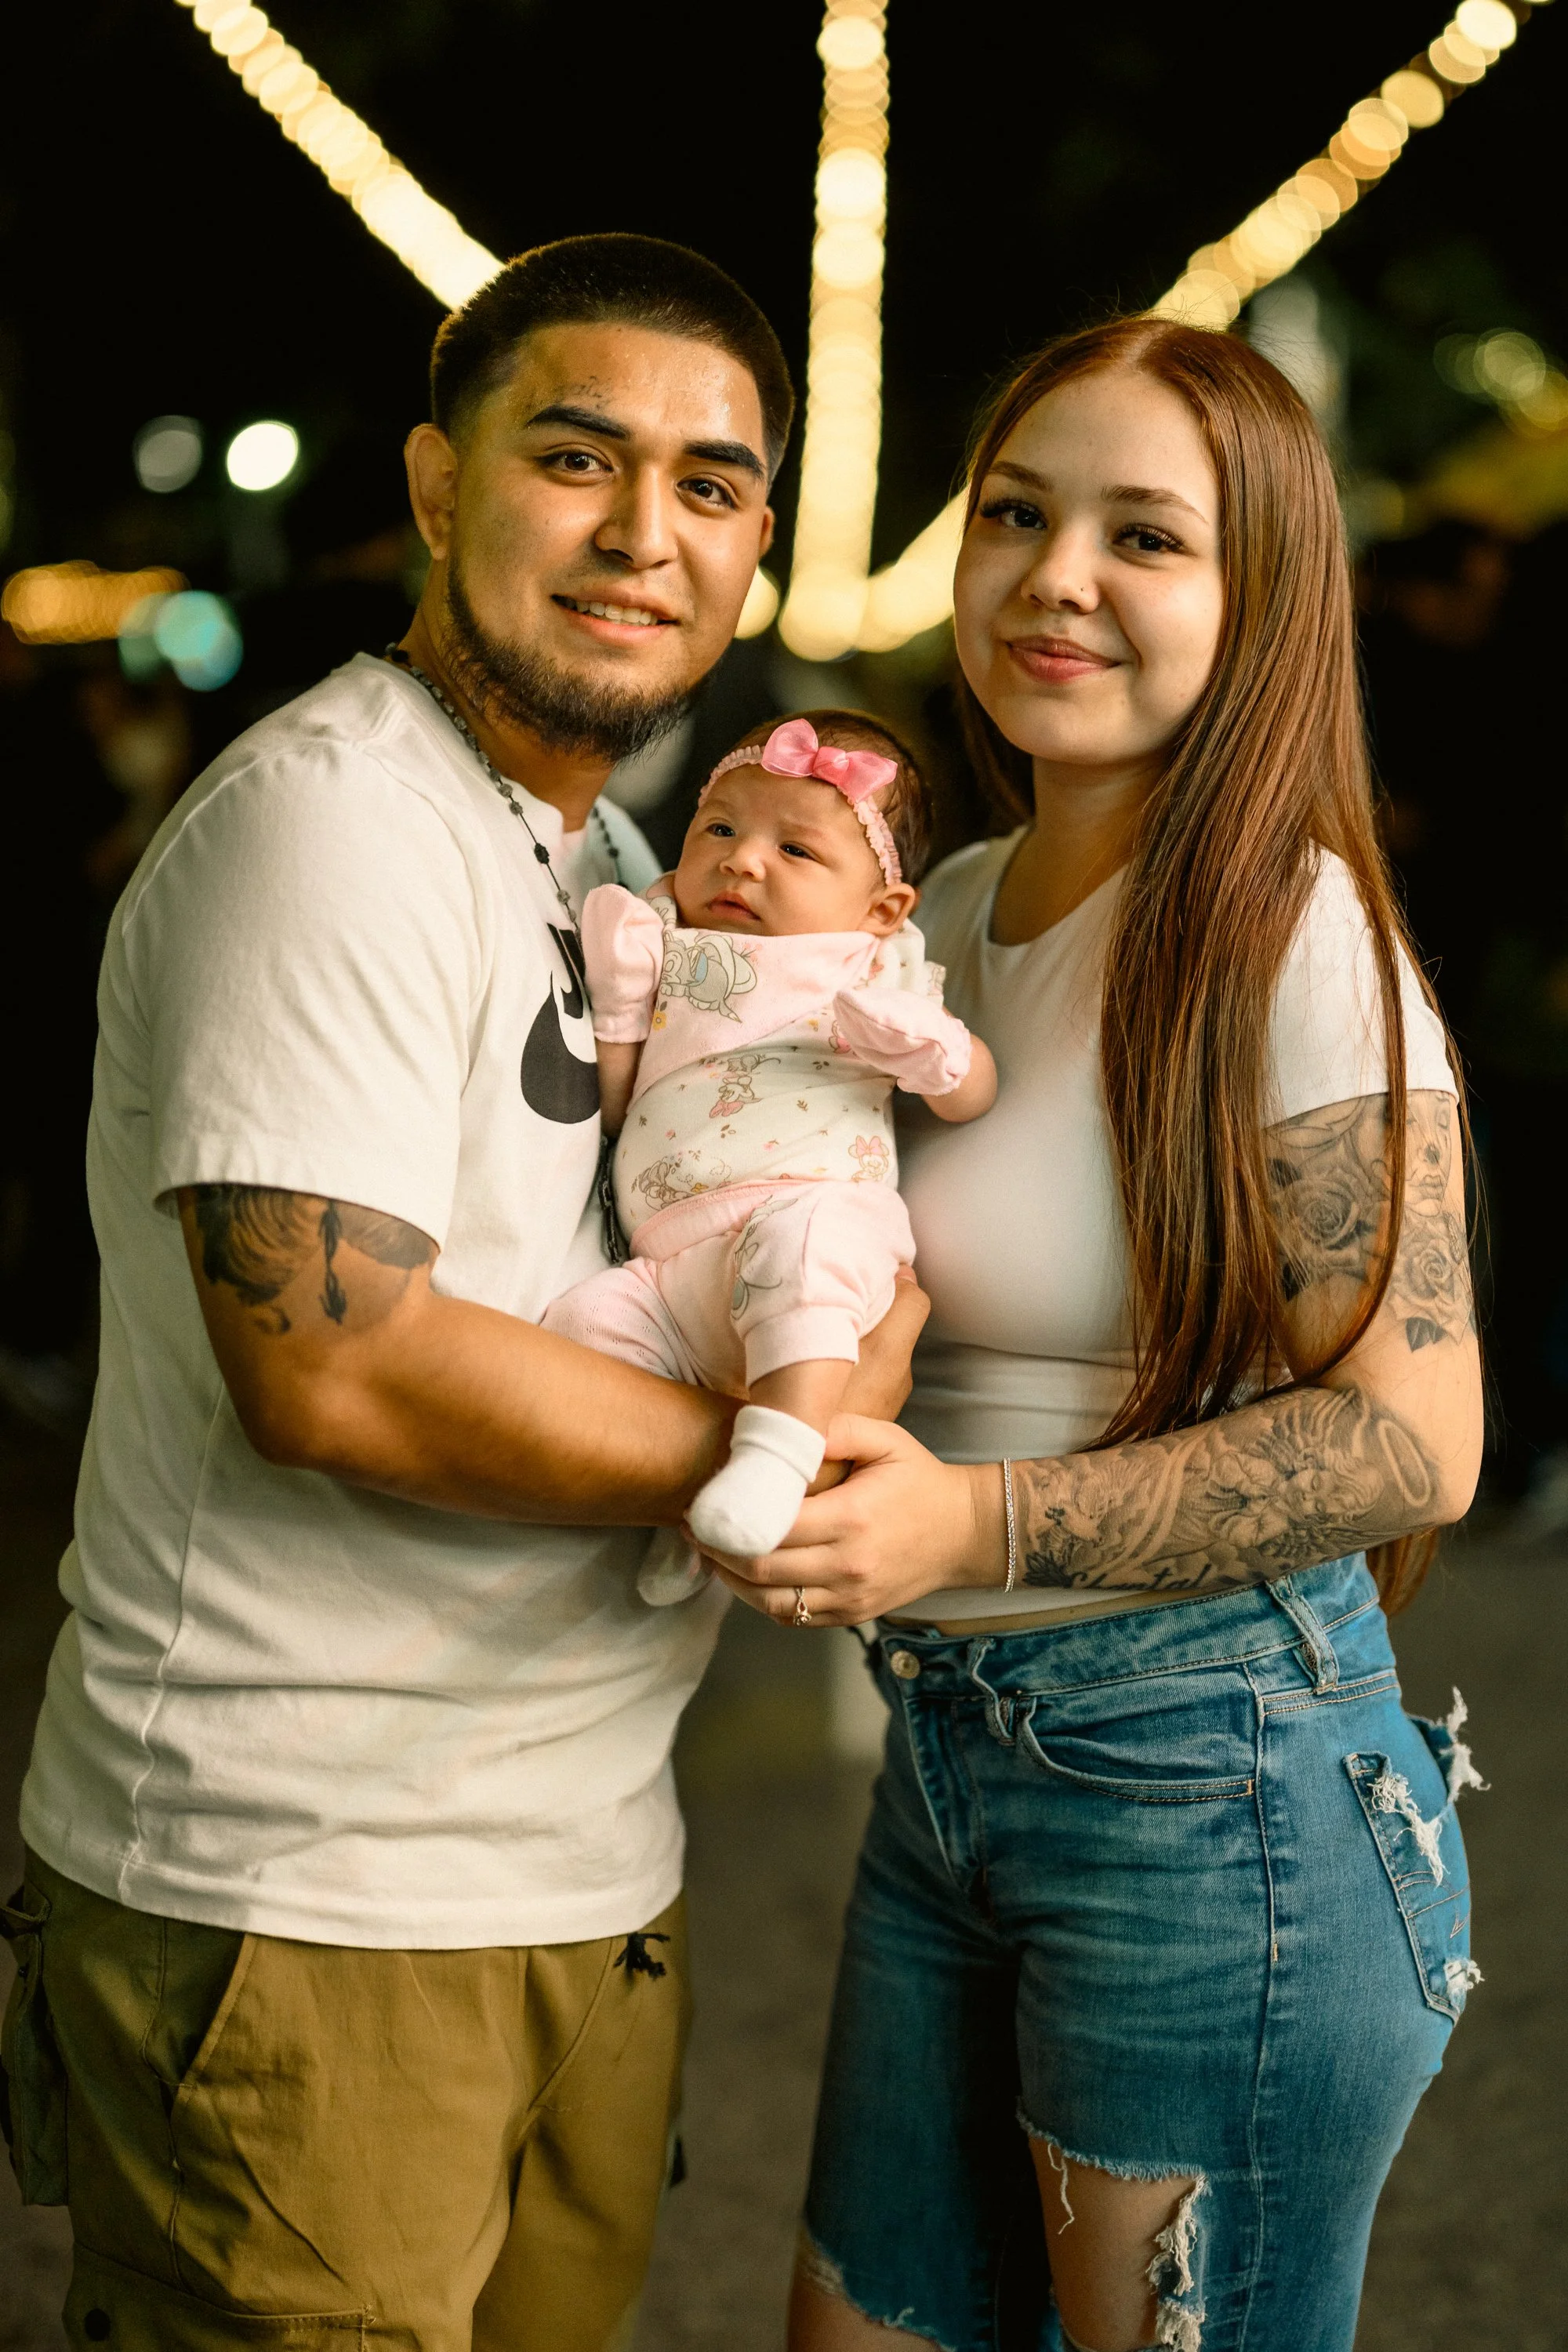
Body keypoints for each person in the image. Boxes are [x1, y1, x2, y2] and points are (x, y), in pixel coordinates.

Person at [0, 233, 921, 2352]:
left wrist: (833, 1363)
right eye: (576, 457)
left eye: (709, 485)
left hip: (574, 1864)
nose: (645, 532)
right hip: (305, 1887)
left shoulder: (622, 864)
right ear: (437, 486)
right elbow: (335, 1368)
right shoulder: (330, 827)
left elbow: (779, 1193)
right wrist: (774, 1461)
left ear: (754, 545)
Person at [711, 320, 1486, 2352]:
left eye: (1144, 536)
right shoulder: (940, 909)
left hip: (1215, 1785)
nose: (1056, 579)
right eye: (1016, 517)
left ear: (1261, 598)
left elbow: (1415, 1439)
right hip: (949, 1756)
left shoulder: (1292, 931)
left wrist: (968, 1525)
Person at [546, 709, 996, 1588]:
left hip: (814, 1215)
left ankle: (778, 1460)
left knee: (801, 1250)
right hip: (674, 1263)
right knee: (582, 1325)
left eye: (795, 850)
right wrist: (620, 1001)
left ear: (880, 910)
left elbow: (970, 1095)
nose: (743, 860)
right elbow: (613, 1108)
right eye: (720, 829)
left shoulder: (874, 965)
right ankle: (686, 1519)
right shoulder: (660, 933)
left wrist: (934, 1053)